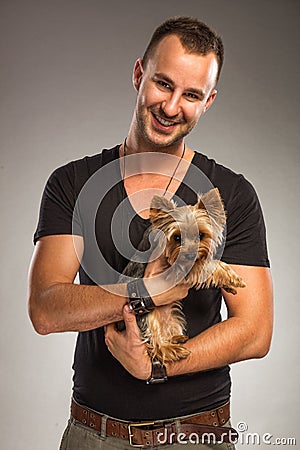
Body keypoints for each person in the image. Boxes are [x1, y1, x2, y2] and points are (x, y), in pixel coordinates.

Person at [28, 16, 273, 449]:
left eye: (191, 95)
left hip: (197, 434)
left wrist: (158, 367)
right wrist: (148, 290)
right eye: (163, 84)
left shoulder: (231, 194)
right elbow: (46, 310)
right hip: (95, 433)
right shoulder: (73, 183)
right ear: (139, 74)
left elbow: (255, 330)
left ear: (208, 101)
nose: (172, 106)